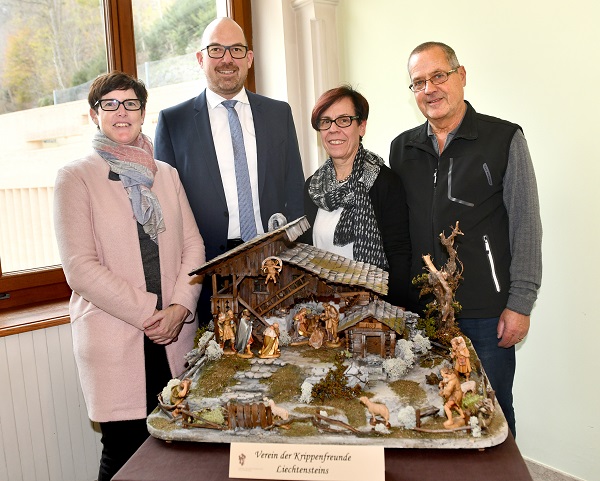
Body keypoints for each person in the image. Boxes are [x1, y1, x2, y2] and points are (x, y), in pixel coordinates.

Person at [53, 72, 205, 481]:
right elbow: (80, 269)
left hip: (174, 336)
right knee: (124, 455)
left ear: (142, 112)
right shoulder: (75, 177)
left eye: (131, 104)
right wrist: (152, 313)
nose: (122, 112)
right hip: (117, 337)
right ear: (94, 114)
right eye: (111, 104)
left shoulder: (166, 174)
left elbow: (193, 246)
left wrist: (180, 307)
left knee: (177, 451)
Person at [389, 42, 542, 437]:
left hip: (487, 312)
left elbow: (526, 224)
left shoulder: (503, 138)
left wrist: (520, 303)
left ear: (461, 76)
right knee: (432, 410)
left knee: (491, 413)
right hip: (422, 312)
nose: (429, 89)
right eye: (418, 82)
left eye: (438, 76)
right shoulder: (402, 148)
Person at [154, 17, 304, 324]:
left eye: (236, 49)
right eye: (216, 50)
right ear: (200, 59)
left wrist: (294, 258)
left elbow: (295, 190)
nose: (227, 59)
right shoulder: (174, 123)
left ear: (249, 58)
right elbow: (166, 211)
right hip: (208, 273)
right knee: (216, 353)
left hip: (274, 265)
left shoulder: (278, 113)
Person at [302, 85, 411, 307]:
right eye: (325, 122)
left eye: (343, 120)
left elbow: (399, 253)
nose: (333, 129)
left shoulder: (385, 182)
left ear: (361, 126)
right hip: (322, 308)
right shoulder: (312, 187)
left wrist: (392, 309)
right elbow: (304, 255)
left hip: (373, 307)